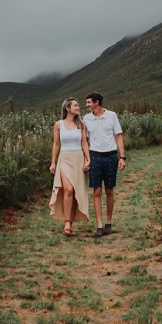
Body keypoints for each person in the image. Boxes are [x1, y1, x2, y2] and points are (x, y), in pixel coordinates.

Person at [84, 91, 125, 238]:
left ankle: (108, 222)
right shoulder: (86, 118)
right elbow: (85, 141)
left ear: (97, 102)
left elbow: (118, 136)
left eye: (89, 102)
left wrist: (122, 157)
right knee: (96, 192)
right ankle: (99, 226)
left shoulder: (112, 116)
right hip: (95, 157)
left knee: (109, 191)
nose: (86, 105)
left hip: (111, 157)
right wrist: (86, 159)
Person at [49, 97, 91, 236]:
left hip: (78, 158)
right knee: (68, 189)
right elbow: (56, 144)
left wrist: (88, 159)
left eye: (78, 105)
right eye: (75, 105)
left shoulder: (81, 124)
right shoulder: (58, 124)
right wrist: (53, 162)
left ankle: (70, 223)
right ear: (68, 108)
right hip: (65, 159)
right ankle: (67, 222)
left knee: (75, 192)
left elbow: (84, 143)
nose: (78, 107)